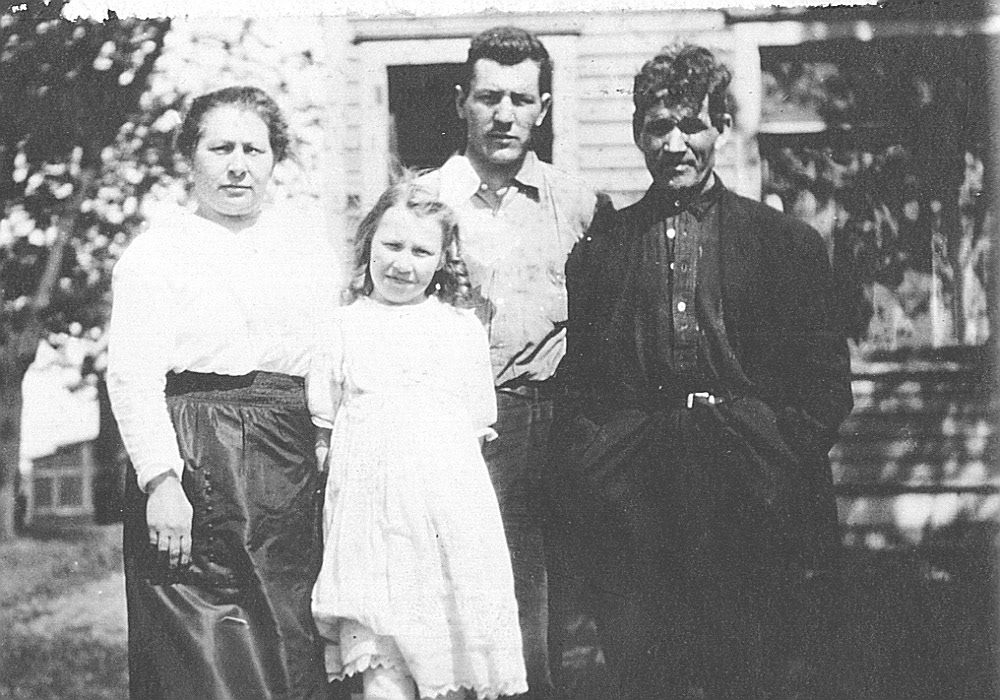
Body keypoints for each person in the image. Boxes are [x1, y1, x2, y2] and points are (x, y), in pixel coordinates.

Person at [548, 43, 854, 699]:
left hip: (751, 492)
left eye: (691, 125)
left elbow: (825, 386)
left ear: (722, 127)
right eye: (658, 127)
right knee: (648, 675)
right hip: (640, 496)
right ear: (638, 133)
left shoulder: (784, 244)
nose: (675, 144)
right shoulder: (602, 252)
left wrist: (773, 453)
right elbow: (582, 384)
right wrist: (602, 466)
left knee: (751, 673)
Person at [107, 86, 339, 700]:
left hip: (287, 464)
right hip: (194, 459)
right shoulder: (155, 254)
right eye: (220, 148)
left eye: (253, 150)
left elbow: (327, 360)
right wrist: (160, 481)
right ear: (190, 156)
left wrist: (326, 440)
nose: (238, 165)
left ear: (274, 159)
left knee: (290, 643)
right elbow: (131, 375)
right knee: (201, 654)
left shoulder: (307, 250)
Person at [420, 26, 609, 698]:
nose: (505, 115)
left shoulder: (579, 205)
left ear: (544, 108)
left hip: (552, 425)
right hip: (452, 429)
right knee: (460, 608)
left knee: (553, 610)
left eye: (521, 100)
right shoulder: (422, 202)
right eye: (489, 97)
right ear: (461, 102)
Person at [309, 179, 528, 700]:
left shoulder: (458, 329)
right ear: (368, 243)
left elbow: (474, 432)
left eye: (421, 251)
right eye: (392, 245)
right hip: (369, 530)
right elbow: (325, 431)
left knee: (446, 656)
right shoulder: (343, 327)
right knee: (381, 669)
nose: (402, 264)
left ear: (443, 259)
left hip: (443, 527)